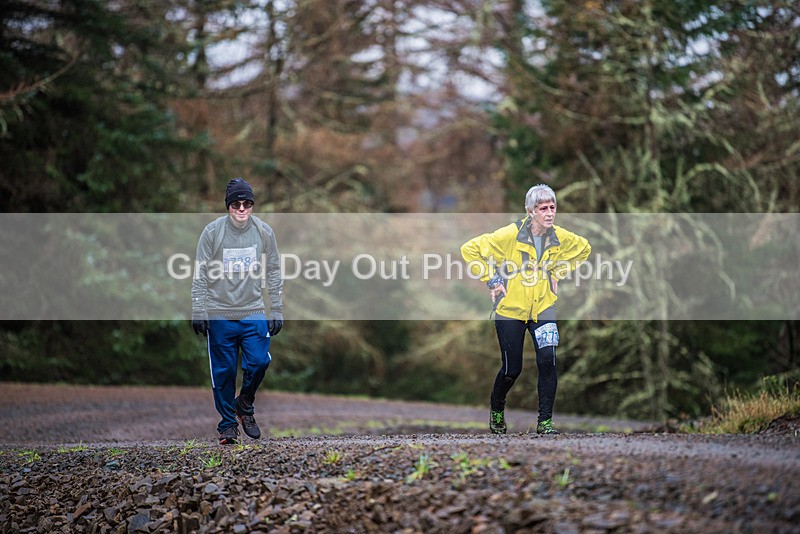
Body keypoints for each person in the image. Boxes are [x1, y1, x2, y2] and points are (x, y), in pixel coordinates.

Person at [461, 184, 590, 435]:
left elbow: (584, 248)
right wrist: (492, 279)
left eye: (553, 207)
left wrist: (559, 271)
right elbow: (469, 249)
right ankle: (497, 409)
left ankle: (545, 423)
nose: (550, 213)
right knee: (512, 369)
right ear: (530, 211)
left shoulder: (560, 236)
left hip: (543, 307)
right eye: (543, 208)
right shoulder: (510, 234)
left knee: (548, 360)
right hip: (511, 309)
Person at [191, 177, 284, 445]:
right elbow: (200, 272)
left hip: (253, 310)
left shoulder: (264, 232)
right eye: (236, 204)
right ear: (228, 206)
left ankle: (244, 403)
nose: (241, 209)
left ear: (252, 206)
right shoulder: (213, 232)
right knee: (223, 373)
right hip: (219, 313)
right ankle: (227, 426)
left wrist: (276, 307)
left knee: (259, 361)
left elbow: (275, 270)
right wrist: (199, 308)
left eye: (246, 204)